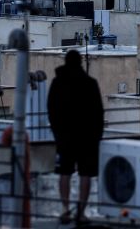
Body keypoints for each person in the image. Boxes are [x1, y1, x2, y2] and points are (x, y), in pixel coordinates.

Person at [47, 49, 104, 225]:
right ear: (80, 62)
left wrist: (57, 131)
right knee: (85, 173)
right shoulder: (90, 83)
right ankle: (81, 212)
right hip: (87, 137)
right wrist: (97, 135)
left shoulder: (58, 82)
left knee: (65, 171)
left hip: (65, 136)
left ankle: (65, 210)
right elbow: (98, 112)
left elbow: (51, 109)